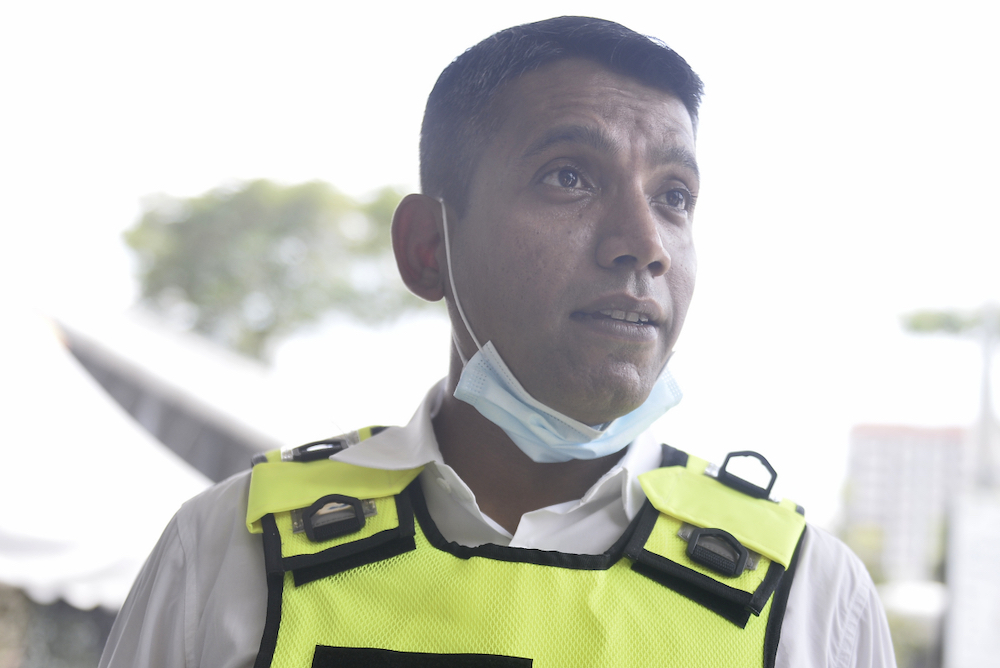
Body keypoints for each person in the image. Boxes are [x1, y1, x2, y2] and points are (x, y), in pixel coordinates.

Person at [100, 16, 896, 668]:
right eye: (569, 177)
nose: (642, 242)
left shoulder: (809, 597)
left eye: (675, 195)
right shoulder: (225, 554)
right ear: (426, 247)